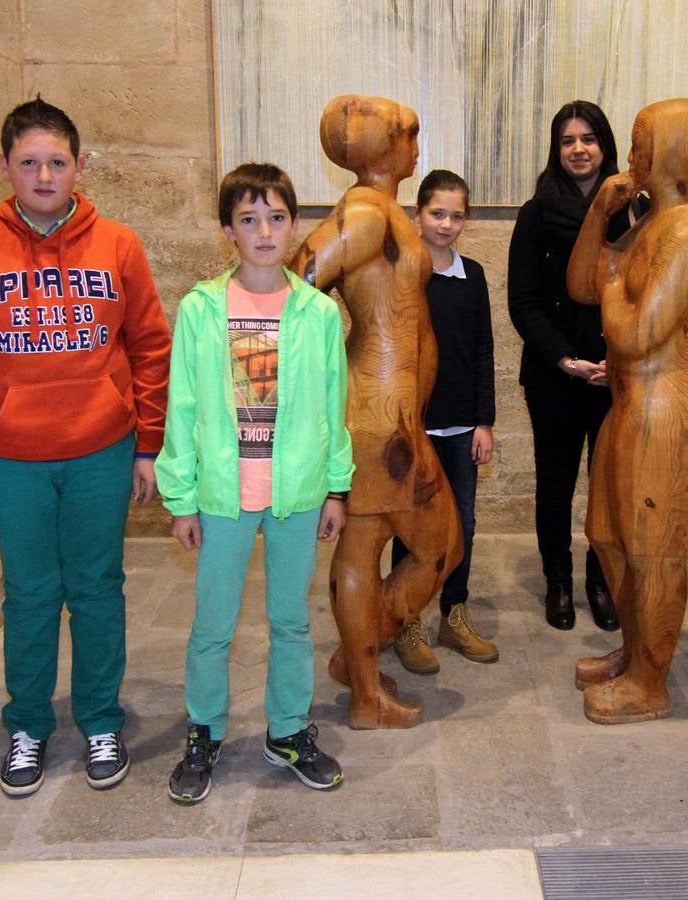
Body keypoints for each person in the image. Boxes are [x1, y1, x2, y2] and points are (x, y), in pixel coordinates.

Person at [0, 96, 171, 797]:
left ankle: (98, 720)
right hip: (7, 456)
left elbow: (150, 346)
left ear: (79, 166)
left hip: (101, 448)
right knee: (30, 594)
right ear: (5, 168)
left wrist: (147, 443)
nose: (43, 174)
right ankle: (27, 725)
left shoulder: (117, 244)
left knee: (95, 588)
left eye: (57, 161)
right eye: (28, 162)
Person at [157, 163, 353, 803]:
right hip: (222, 496)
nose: (264, 231)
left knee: (292, 620)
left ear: (293, 225)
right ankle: (205, 732)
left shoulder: (319, 312)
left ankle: (290, 731)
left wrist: (336, 488)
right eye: (248, 219)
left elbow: (333, 405)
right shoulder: (201, 309)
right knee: (213, 623)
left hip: (294, 494)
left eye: (275, 217)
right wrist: (181, 499)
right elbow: (181, 406)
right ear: (228, 231)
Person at [290, 95, 462, 730]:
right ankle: (365, 692)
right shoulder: (364, 213)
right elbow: (292, 287)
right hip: (374, 416)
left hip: (397, 416)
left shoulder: (387, 210)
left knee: (416, 544)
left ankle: (357, 660)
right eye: (407, 134)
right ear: (380, 146)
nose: (415, 146)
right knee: (420, 545)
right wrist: (326, 378)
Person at [567, 99, 688, 724]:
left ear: (670, 153)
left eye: (640, 146)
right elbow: (584, 283)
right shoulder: (653, 222)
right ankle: (635, 651)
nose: (630, 157)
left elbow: (638, 332)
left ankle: (651, 682)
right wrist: (599, 213)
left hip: (669, 407)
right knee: (609, 537)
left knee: (655, 550)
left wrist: (615, 288)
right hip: (630, 402)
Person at [508, 99, 639, 632]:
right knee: (556, 483)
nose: (578, 149)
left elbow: (646, 291)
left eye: (588, 138)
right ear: (556, 149)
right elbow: (523, 301)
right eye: (567, 140)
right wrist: (566, 359)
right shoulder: (536, 213)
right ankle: (558, 581)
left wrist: (621, 357)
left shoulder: (635, 210)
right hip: (555, 374)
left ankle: (600, 580)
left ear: (604, 145)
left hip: (618, 374)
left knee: (609, 487)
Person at [391, 169, 499, 674]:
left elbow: (482, 350)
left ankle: (454, 612)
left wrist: (484, 422)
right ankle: (404, 619)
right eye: (437, 213)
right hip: (412, 425)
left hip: (459, 426)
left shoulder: (471, 275)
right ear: (417, 213)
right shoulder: (400, 271)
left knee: (463, 523)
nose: (446, 224)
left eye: (457, 215)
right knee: (409, 526)